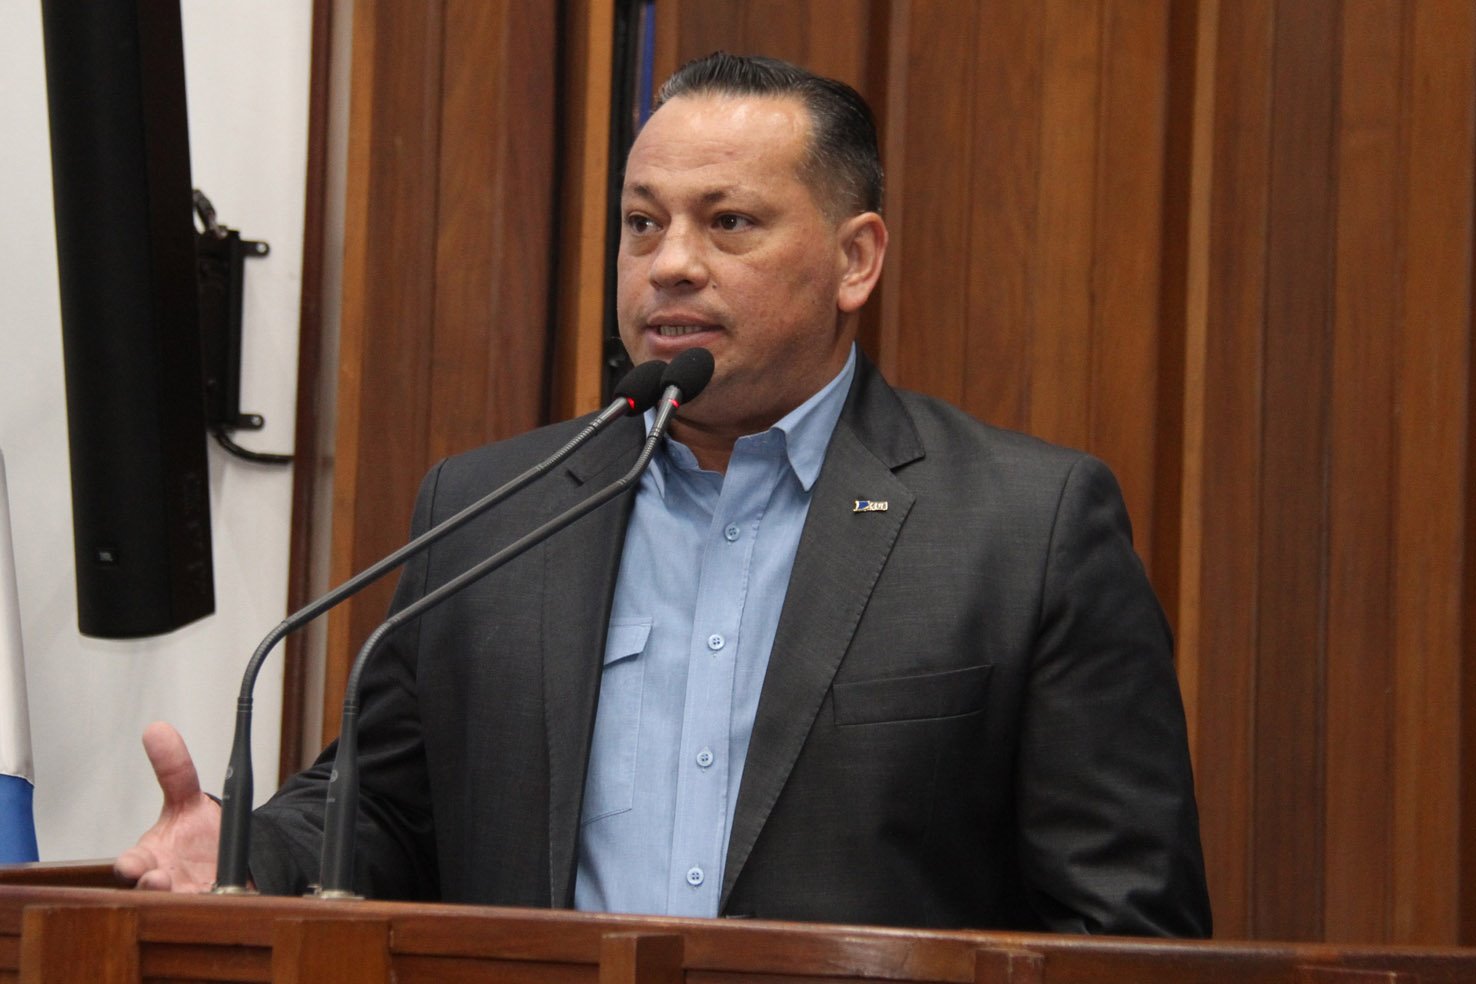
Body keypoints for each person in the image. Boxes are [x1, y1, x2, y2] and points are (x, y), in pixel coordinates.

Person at [117, 53, 1211, 936]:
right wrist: (248, 852)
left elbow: (1124, 927)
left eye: (728, 223)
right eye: (643, 224)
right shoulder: (496, 508)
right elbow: (388, 812)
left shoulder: (1024, 528)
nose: (671, 264)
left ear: (856, 260)